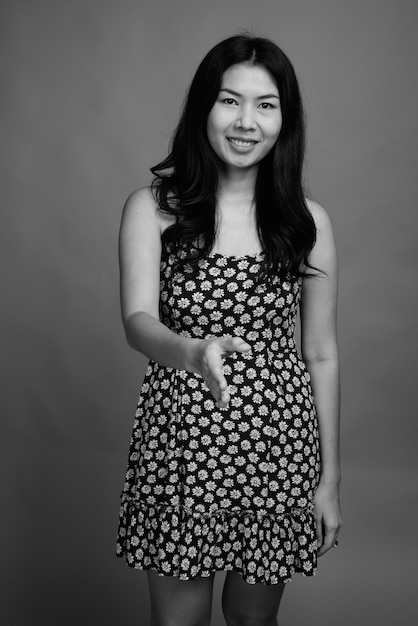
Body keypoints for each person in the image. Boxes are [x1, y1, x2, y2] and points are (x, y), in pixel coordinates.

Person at [116, 34, 342, 626]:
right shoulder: (154, 208)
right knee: (178, 622)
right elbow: (137, 323)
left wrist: (328, 480)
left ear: (284, 120)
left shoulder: (307, 221)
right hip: (182, 441)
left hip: (278, 447)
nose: (246, 122)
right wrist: (192, 351)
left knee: (253, 619)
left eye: (266, 105)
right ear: (203, 109)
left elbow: (320, 353)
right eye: (229, 100)